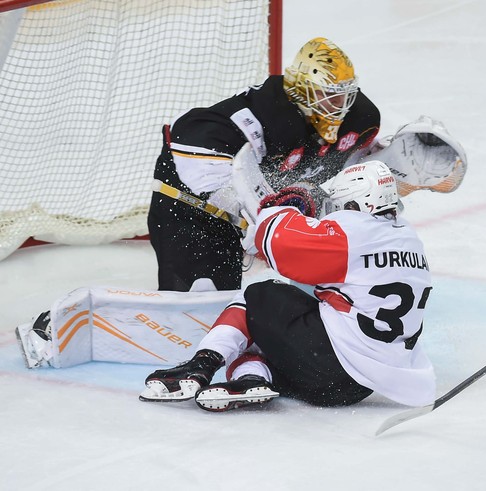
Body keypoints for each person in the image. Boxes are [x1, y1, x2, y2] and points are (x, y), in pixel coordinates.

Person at [139, 160, 436, 411]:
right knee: (270, 328)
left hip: (330, 363)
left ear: (357, 203)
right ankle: (253, 379)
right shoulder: (411, 240)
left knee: (259, 295)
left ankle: (201, 364)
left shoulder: (355, 231)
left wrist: (286, 206)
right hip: (354, 388)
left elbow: (274, 237)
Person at [148, 37, 380, 292]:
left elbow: (357, 170)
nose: (341, 106)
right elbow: (190, 147)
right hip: (189, 212)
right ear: (303, 89)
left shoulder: (355, 119)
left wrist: (395, 161)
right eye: (329, 96)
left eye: (345, 95)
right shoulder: (257, 116)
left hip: (235, 219)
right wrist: (258, 218)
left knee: (223, 295)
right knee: (198, 300)